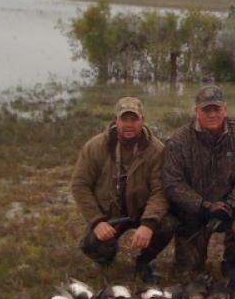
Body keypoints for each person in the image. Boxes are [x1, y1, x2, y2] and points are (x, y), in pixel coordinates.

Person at [163, 85, 235, 290]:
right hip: (193, 212)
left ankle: (231, 265)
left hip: (228, 209)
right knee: (186, 275)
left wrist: (231, 203)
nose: (213, 114)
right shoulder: (179, 141)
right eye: (207, 110)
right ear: (197, 111)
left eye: (217, 109)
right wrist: (203, 205)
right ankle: (192, 262)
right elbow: (172, 183)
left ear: (225, 110)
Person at [71, 96, 174, 282]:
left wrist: (148, 224)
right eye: (123, 119)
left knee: (169, 223)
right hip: (110, 213)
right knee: (91, 244)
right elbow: (80, 185)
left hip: (142, 211)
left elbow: (161, 191)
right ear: (115, 121)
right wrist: (97, 221)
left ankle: (144, 261)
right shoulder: (95, 147)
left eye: (134, 119)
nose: (128, 124)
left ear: (143, 121)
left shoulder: (157, 150)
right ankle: (105, 258)